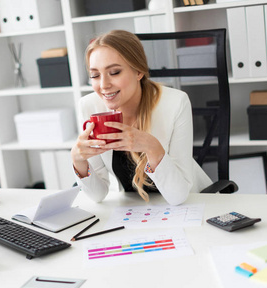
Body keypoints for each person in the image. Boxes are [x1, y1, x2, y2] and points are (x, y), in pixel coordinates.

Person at [71, 30, 212, 205]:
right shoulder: (89, 106)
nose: (103, 85)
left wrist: (152, 148)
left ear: (138, 71)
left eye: (114, 72)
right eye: (95, 75)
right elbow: (97, 195)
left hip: (188, 204)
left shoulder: (176, 102)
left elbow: (178, 197)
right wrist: (78, 162)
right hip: (135, 209)